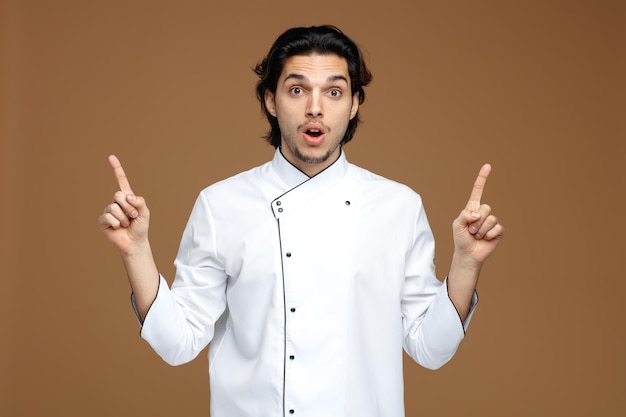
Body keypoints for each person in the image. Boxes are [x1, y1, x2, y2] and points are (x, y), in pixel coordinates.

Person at [98, 25, 504, 417]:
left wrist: (467, 263)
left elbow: (430, 349)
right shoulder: (221, 205)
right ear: (271, 101)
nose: (315, 107)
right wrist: (136, 252)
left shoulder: (397, 206)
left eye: (334, 91)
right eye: (297, 90)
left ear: (355, 102)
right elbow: (178, 343)